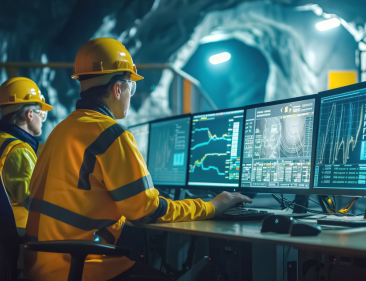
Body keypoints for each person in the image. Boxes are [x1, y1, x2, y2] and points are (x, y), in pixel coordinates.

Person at [25, 38, 252, 281]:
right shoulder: (111, 135)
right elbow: (147, 212)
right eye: (130, 87)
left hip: (41, 266)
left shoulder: (60, 131)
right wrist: (212, 206)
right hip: (84, 268)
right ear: (117, 89)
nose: (130, 95)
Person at [0, 77, 52, 235]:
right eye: (41, 114)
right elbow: (36, 201)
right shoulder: (19, 151)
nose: (42, 120)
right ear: (30, 115)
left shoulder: (4, 141)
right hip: (18, 240)